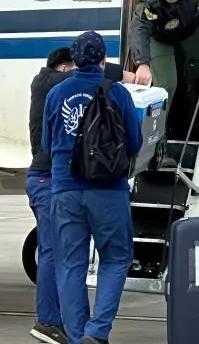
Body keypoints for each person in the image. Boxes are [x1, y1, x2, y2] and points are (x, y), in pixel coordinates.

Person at [26, 47, 134, 344]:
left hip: (64, 188)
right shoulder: (117, 93)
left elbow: (47, 142)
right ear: (101, 60)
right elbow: (134, 142)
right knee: (115, 258)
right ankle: (96, 332)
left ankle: (76, 336)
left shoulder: (54, 94)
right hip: (107, 190)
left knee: (69, 263)